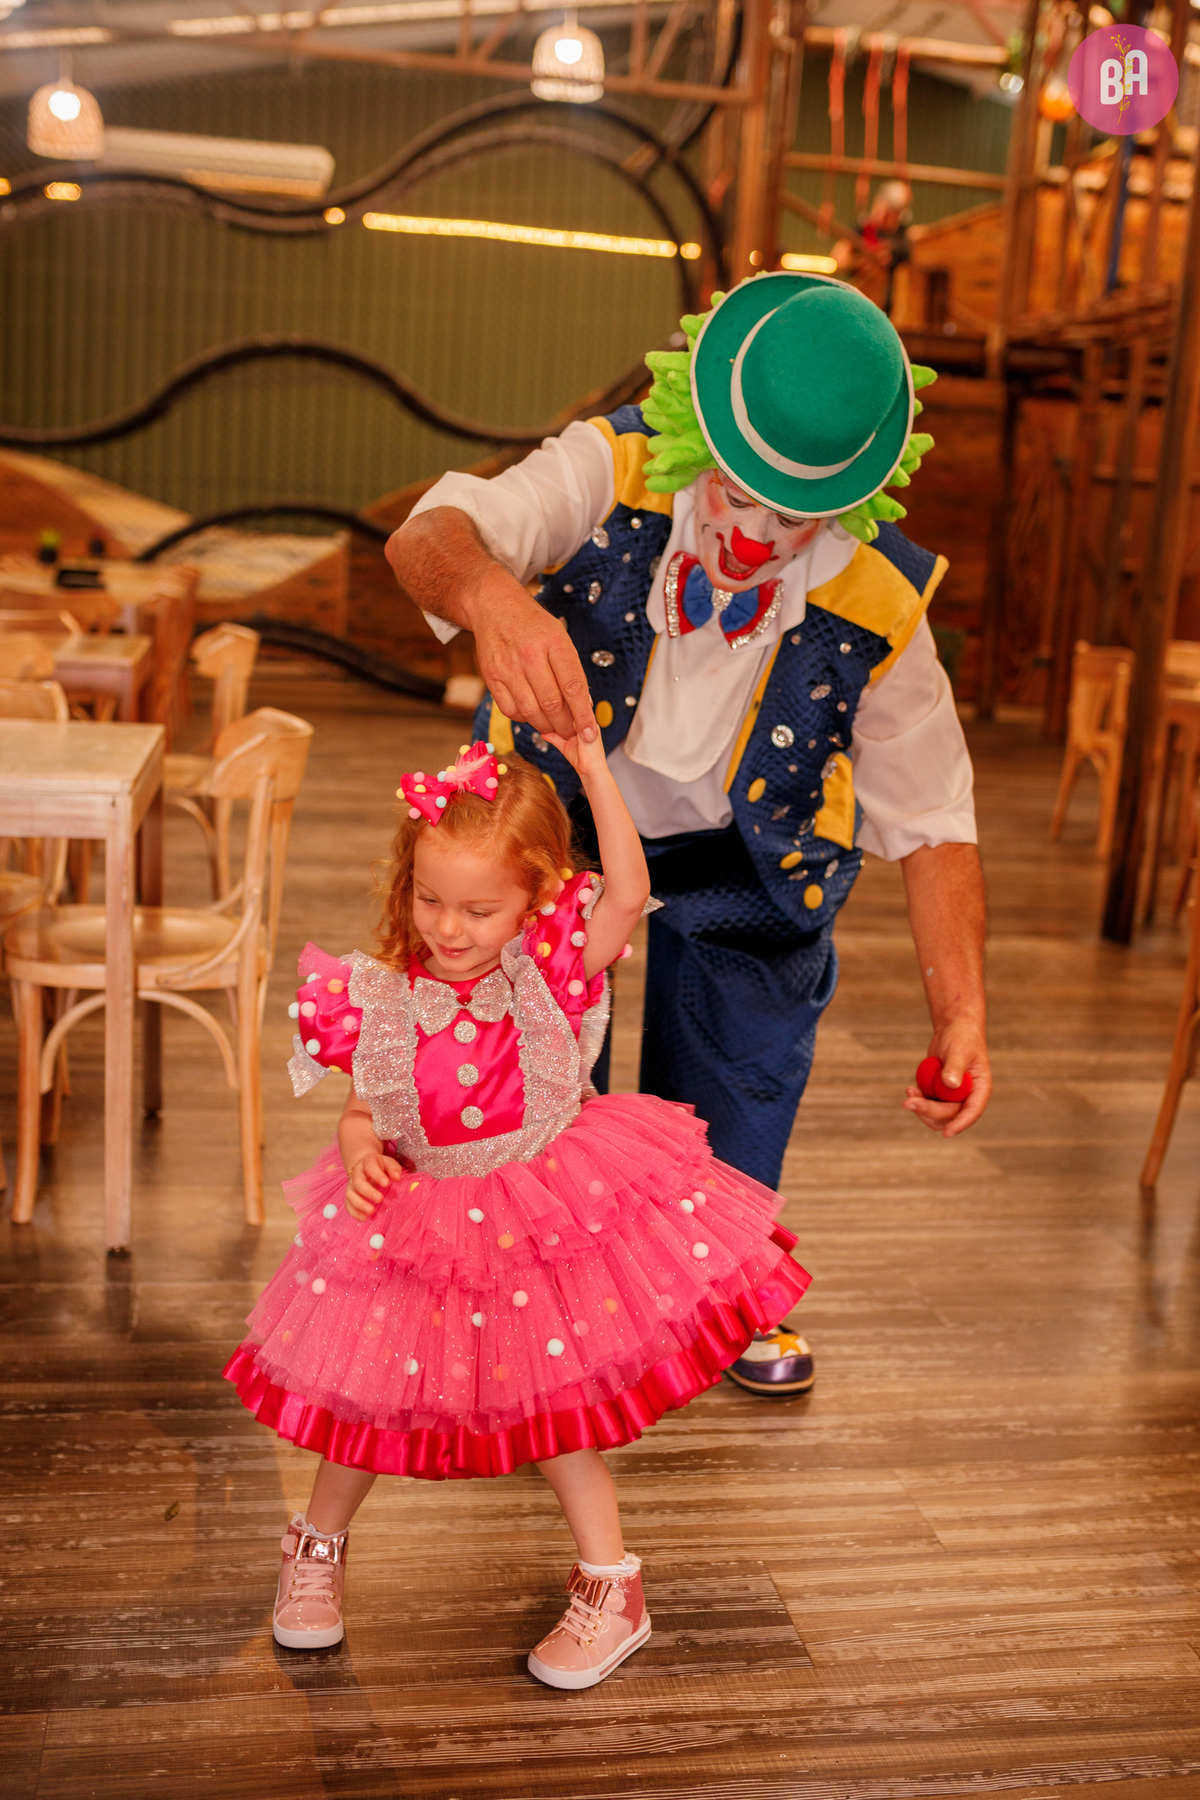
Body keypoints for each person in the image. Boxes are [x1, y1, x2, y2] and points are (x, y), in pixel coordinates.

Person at [388, 273, 991, 1399]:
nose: (755, 540)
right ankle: (522, 1292)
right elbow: (428, 538)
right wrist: (492, 597)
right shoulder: (603, 470)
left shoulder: (880, 597)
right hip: (559, 828)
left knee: (745, 1057)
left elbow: (937, 823)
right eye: (737, 492)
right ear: (697, 435)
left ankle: (714, 1293)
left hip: (748, 846)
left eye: (793, 516)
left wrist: (961, 1016)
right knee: (526, 1056)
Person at [225, 741, 811, 1688]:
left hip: (540, 1216)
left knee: (561, 1411)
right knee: (359, 1401)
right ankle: (316, 1548)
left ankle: (612, 1586)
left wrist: (590, 762)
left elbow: (626, 887)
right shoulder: (374, 996)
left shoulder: (553, 970)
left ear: (536, 897)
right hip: (418, 1227)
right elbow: (364, 1108)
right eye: (428, 899)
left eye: (477, 908)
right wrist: (360, 1151)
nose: (447, 928)